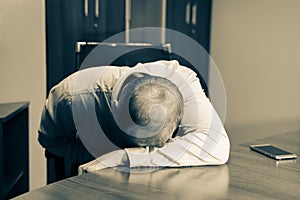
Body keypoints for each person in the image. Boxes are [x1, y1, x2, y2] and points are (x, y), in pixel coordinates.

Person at [38, 60, 230, 176]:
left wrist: (122, 157)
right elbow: (50, 142)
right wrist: (89, 156)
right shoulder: (70, 96)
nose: (140, 149)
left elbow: (216, 148)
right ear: (114, 108)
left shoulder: (187, 87)